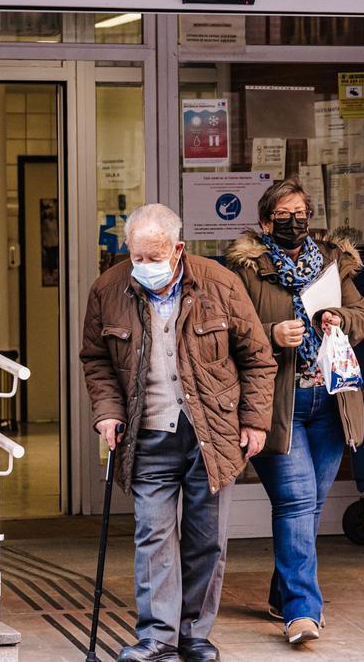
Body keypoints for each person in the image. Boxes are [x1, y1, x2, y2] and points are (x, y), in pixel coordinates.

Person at [80, 204, 277, 662]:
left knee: (207, 539)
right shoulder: (108, 289)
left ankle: (194, 634)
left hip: (211, 432)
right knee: (153, 536)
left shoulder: (220, 284)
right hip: (147, 433)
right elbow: (97, 360)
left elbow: (258, 358)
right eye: (137, 257)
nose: (144, 267)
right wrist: (107, 412)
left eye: (154, 257)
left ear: (178, 249)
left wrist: (254, 420)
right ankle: (157, 638)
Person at [225, 178, 364, 645]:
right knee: (295, 502)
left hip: (329, 400)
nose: (296, 222)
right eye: (285, 215)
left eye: (302, 213)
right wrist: (271, 333)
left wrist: (340, 319)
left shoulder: (331, 261)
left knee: (308, 506)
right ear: (267, 221)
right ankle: (302, 611)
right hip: (277, 402)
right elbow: (230, 330)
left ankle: (282, 592)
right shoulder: (247, 270)